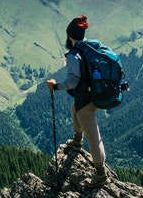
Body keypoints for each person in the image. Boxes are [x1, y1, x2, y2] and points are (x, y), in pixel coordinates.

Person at [46, 15, 109, 188]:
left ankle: (100, 174)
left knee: (94, 137)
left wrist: (56, 86)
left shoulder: (74, 55)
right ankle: (76, 140)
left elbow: (73, 81)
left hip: (86, 101)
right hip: (96, 94)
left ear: (69, 36)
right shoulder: (89, 47)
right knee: (75, 108)